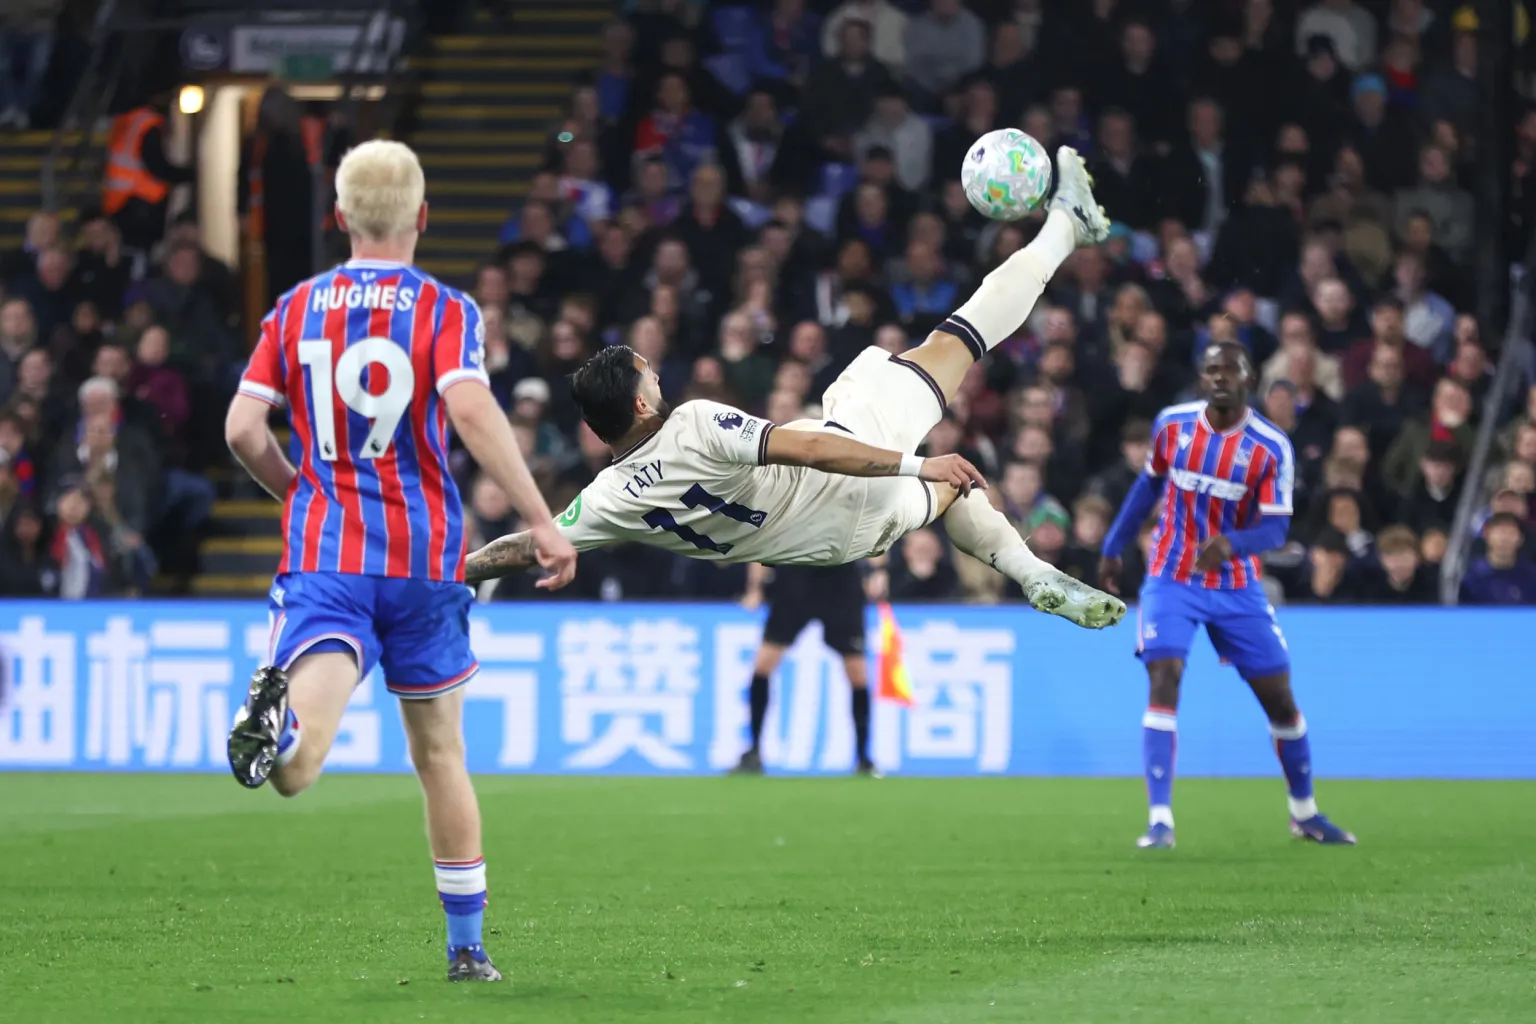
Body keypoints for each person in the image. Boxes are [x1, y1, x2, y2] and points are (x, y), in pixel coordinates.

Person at [463, 147, 1126, 632]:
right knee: (955, 343)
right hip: (845, 475)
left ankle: (1031, 571)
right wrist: (917, 459)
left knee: (945, 487)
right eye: (648, 372)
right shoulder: (692, 424)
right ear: (639, 403)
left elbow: (524, 546)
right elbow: (808, 450)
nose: (657, 373)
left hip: (833, 542)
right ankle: (1068, 223)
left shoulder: (604, 501)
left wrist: (453, 571)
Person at [222, 141, 577, 983]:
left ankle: (283, 727)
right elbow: (470, 407)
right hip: (423, 563)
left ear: (339, 217)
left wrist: (302, 494)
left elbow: (241, 429)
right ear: (422, 217)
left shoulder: (297, 307)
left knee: (301, 769)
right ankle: (466, 949)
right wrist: (537, 517)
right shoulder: (444, 310)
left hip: (326, 556)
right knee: (441, 757)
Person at [1099, 342, 1356, 849]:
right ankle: (1160, 821)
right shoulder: (1172, 425)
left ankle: (1304, 813)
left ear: (1248, 377)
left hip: (1237, 586)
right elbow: (1148, 488)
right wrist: (1112, 545)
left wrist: (1231, 545)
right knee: (1164, 675)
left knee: (1280, 701)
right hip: (1171, 576)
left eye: (1229, 370)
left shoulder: (1270, 446)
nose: (1219, 378)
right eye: (1211, 369)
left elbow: (1277, 529)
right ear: (1202, 378)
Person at [733, 561, 877, 776]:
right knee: (763, 665)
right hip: (795, 573)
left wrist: (877, 572)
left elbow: (876, 528)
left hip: (841, 579)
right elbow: (762, 532)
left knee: (857, 673)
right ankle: (754, 751)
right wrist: (755, 587)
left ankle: (864, 759)